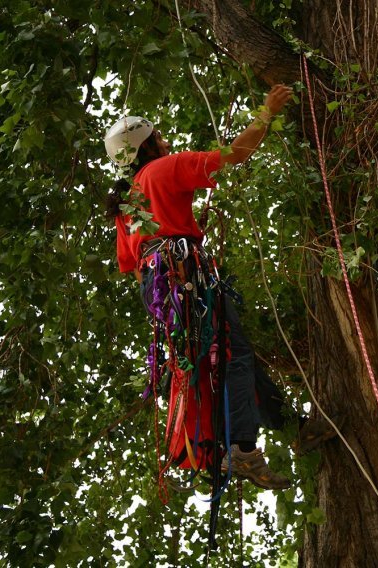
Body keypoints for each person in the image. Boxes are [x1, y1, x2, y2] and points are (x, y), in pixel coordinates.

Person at [104, 85, 297, 490]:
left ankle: (292, 428)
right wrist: (267, 113)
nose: (165, 141)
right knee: (233, 353)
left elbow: (134, 270)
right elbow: (234, 156)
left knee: (221, 358)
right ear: (147, 145)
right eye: (158, 137)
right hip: (182, 273)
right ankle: (243, 450)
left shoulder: (128, 204)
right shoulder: (164, 169)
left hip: (161, 288)